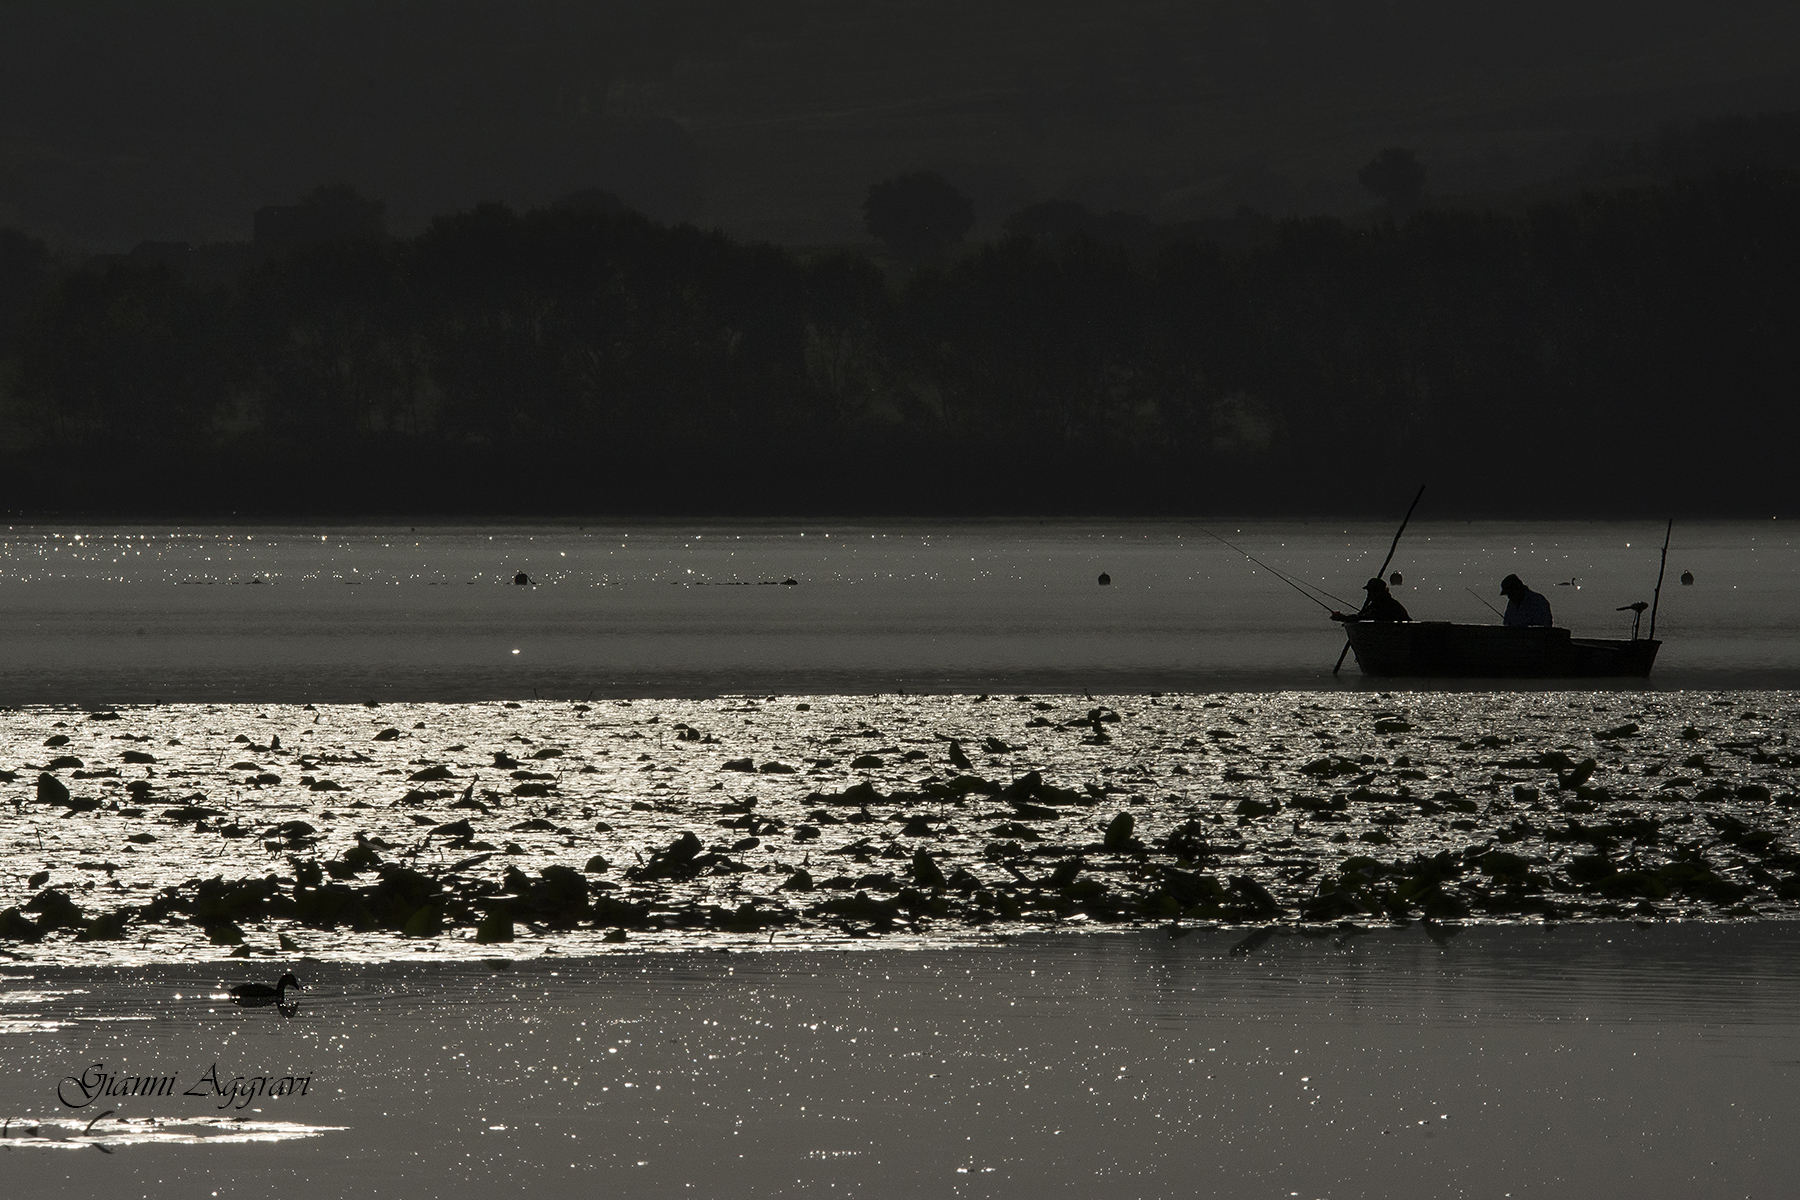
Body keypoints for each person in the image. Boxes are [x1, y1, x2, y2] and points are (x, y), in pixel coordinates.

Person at [1331, 578, 1410, 623]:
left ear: (1378, 592)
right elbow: (1362, 616)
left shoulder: (1387, 605)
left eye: (1371, 591)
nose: (1369, 594)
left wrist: (1344, 618)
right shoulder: (1376, 604)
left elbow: (1366, 617)